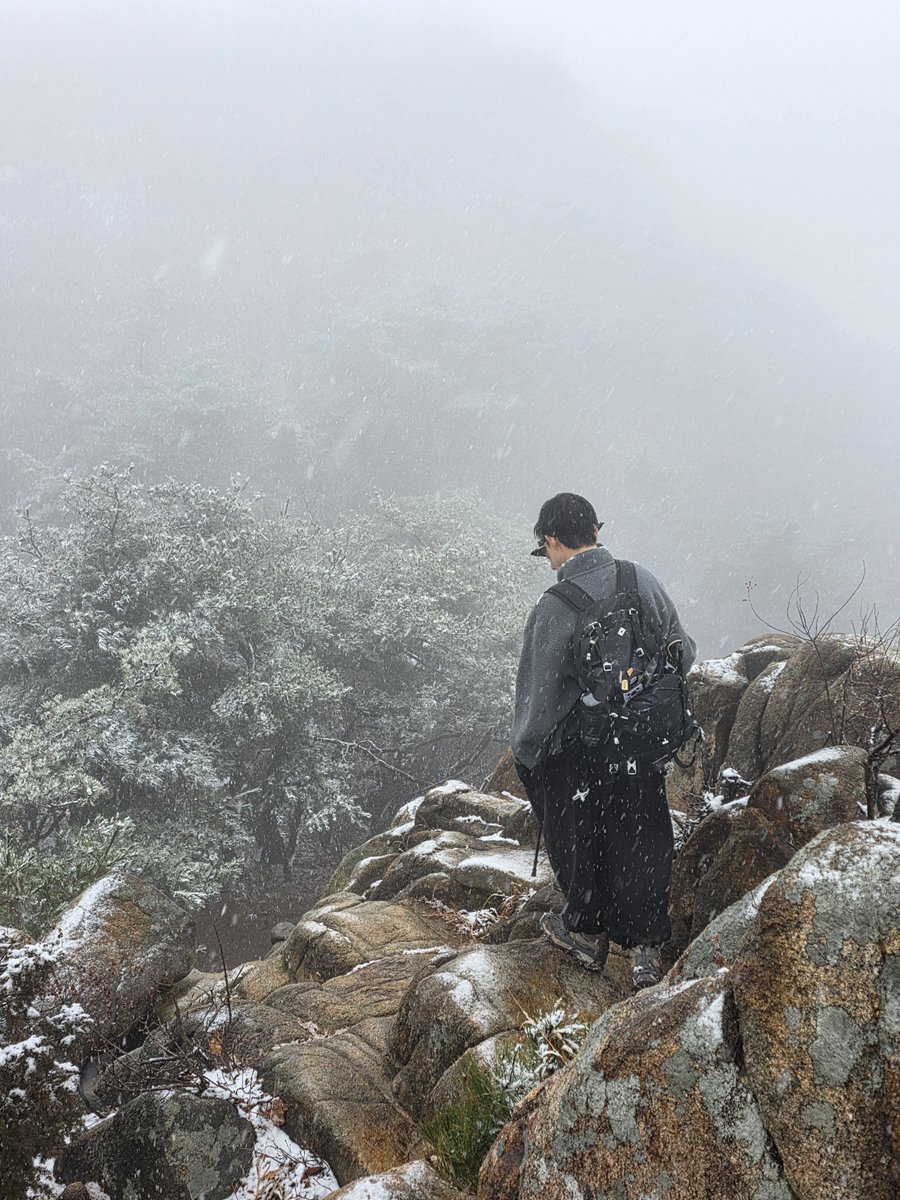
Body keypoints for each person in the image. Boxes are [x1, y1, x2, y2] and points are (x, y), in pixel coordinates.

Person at [511, 493, 696, 988]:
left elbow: (538, 700)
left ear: (551, 540)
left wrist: (526, 754)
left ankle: (587, 933)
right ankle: (645, 951)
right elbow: (683, 651)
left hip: (582, 752)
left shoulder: (554, 607)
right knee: (643, 834)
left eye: (544, 549)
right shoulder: (639, 580)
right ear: (596, 531)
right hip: (640, 743)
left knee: (581, 834)